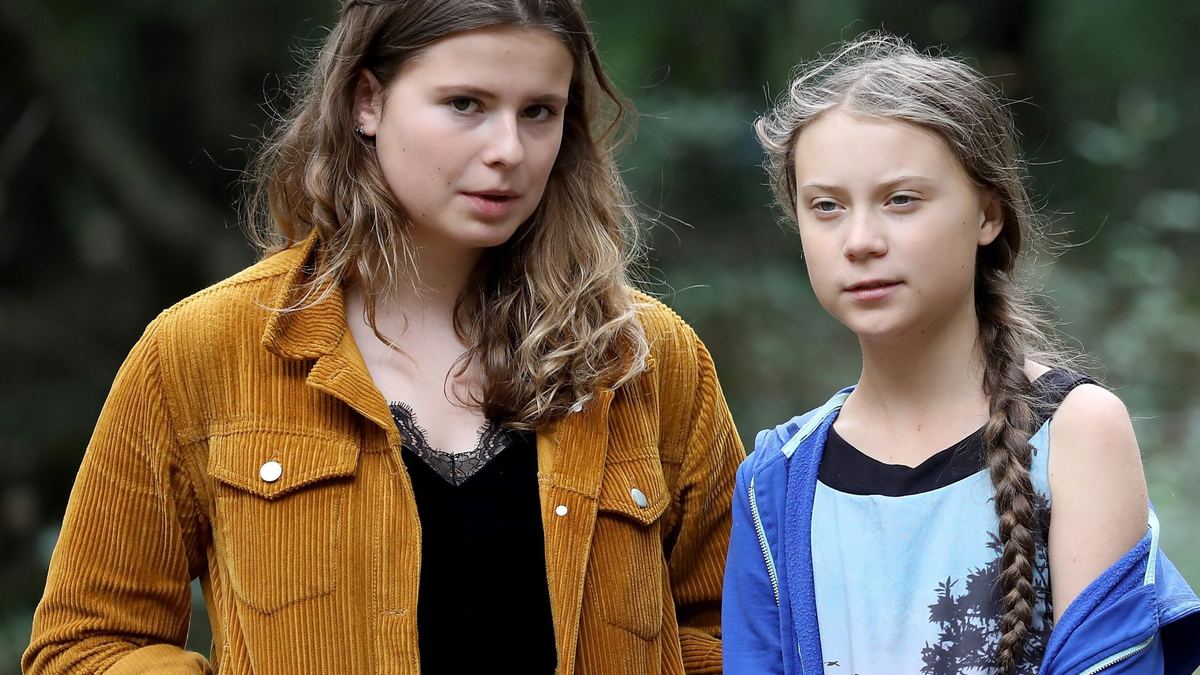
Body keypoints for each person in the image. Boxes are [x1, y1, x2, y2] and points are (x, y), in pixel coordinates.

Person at [24, 1, 744, 673]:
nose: (508, 150)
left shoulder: (639, 355)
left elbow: (739, 633)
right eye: (466, 104)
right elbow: (86, 643)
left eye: (539, 112)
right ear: (367, 100)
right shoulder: (206, 348)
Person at [722, 32, 1200, 675]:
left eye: (901, 200)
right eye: (827, 206)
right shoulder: (775, 480)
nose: (860, 240)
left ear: (987, 214)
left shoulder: (1076, 433)